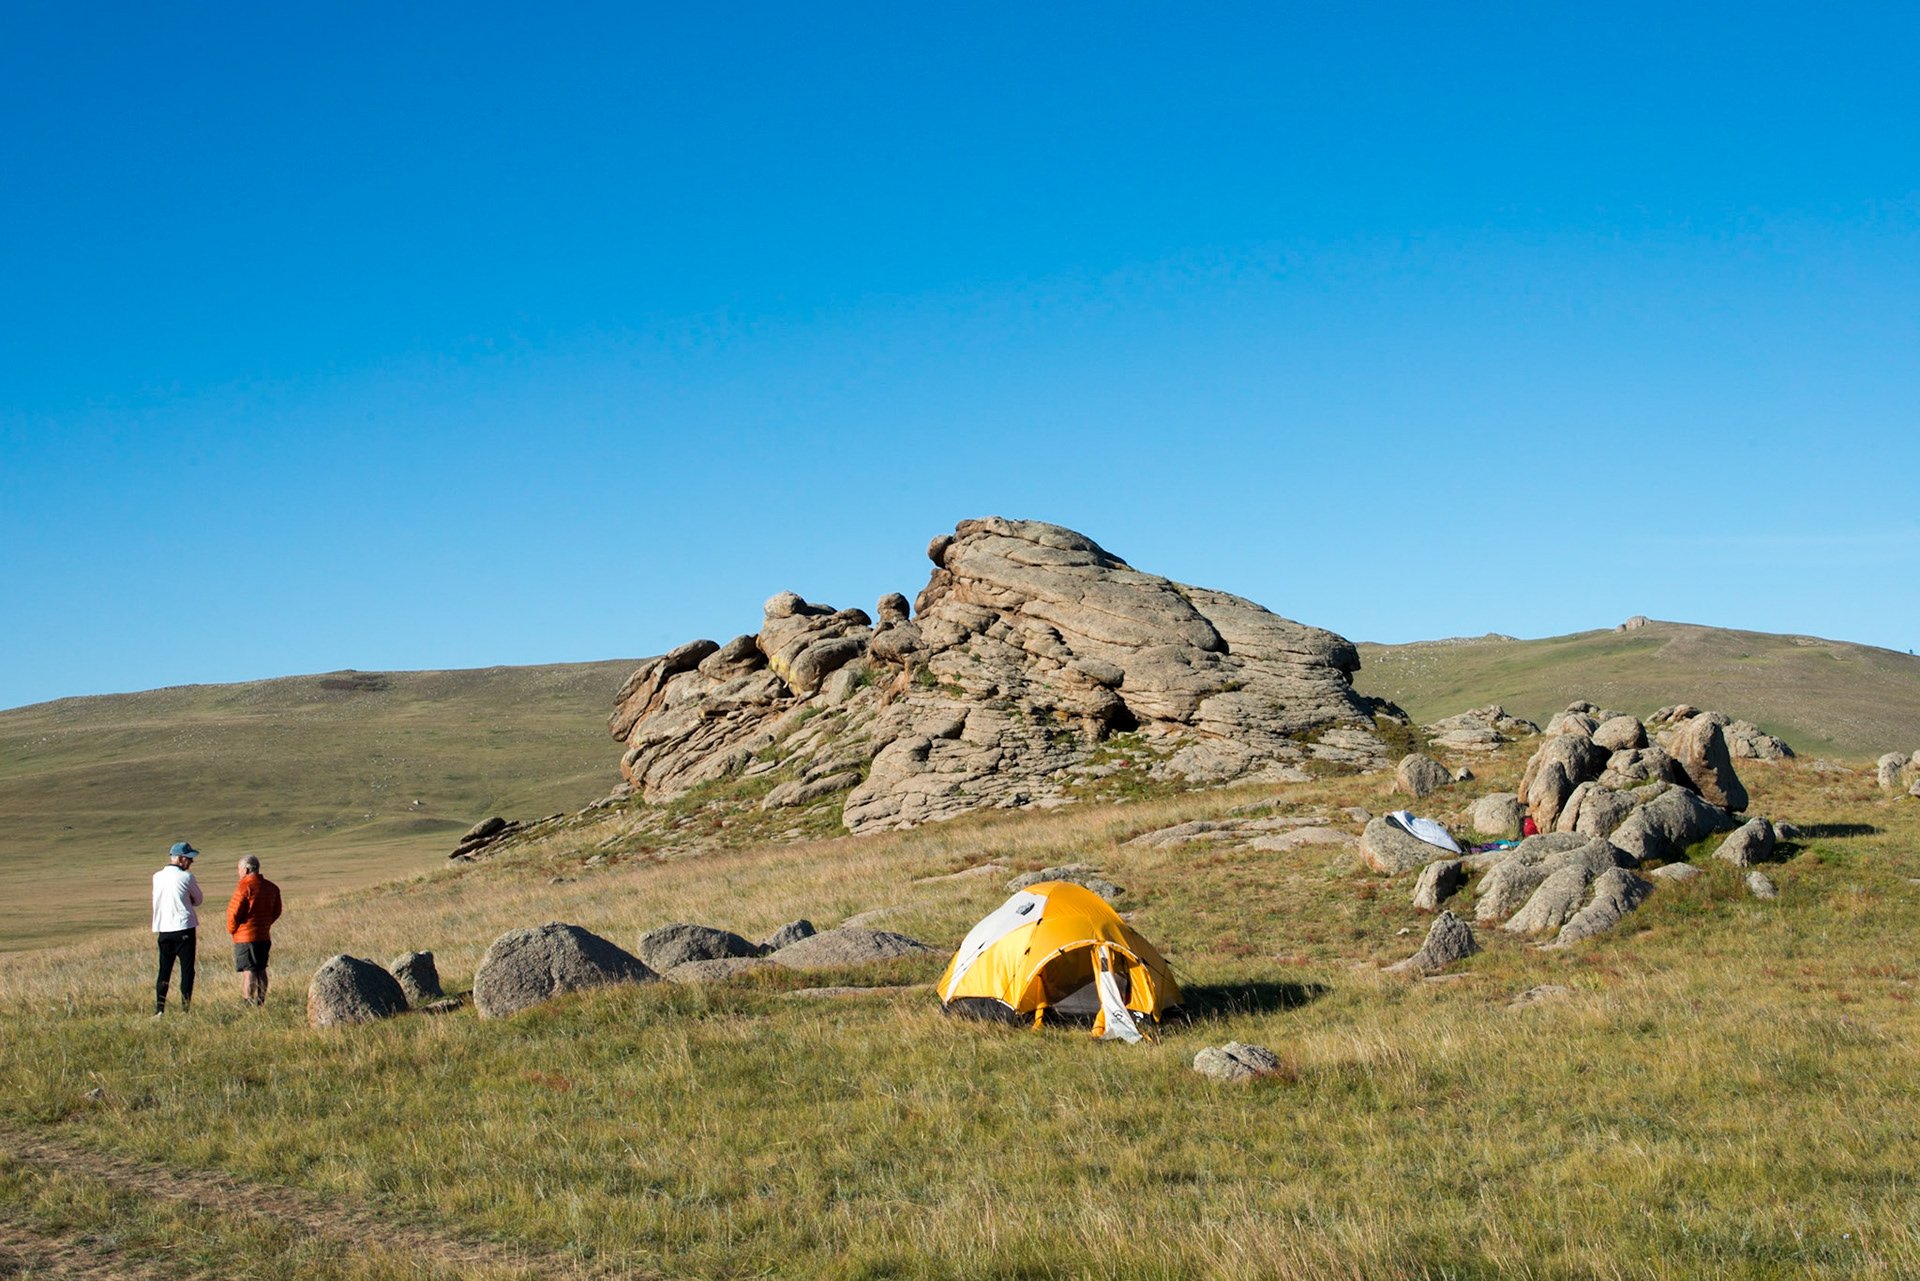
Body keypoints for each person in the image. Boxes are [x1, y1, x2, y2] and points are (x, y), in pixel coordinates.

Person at [151, 841, 204, 1016]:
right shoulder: (186, 878)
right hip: (184, 927)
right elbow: (198, 899)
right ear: (181, 859)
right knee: (187, 970)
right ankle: (185, 1009)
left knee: (164, 970)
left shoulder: (157, 876)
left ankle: (160, 1009)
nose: (191, 863)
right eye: (189, 859)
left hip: (163, 928)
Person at [226, 854, 283, 1006]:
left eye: (239, 869)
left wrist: (233, 930)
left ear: (246, 869)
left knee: (249, 971)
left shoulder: (244, 888)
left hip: (245, 937)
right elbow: (277, 911)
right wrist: (265, 924)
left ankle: (247, 1002)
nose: (238, 872)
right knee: (261, 969)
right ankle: (261, 1000)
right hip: (264, 936)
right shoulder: (272, 888)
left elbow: (233, 913)